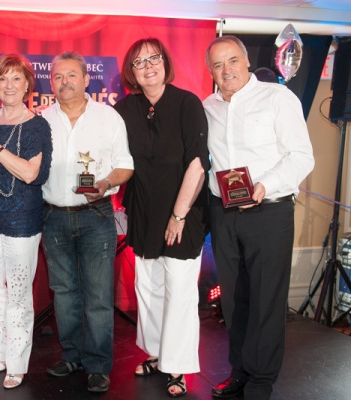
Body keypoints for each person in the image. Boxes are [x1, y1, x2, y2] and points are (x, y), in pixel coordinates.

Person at [203, 35, 314, 400]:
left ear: (247, 61)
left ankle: (261, 380)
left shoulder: (278, 98)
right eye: (218, 64)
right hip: (224, 214)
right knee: (234, 300)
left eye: (233, 60)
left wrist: (265, 185)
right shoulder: (207, 107)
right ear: (211, 71)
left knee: (266, 299)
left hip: (269, 212)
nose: (226, 70)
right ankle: (240, 371)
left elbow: (301, 156)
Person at [113, 38, 209, 398]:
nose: (148, 66)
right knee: (149, 288)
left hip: (183, 212)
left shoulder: (187, 104)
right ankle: (156, 353)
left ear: (165, 63)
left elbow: (197, 163)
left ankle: (177, 366)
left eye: (154, 58)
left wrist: (178, 216)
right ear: (131, 72)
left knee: (179, 291)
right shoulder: (125, 109)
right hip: (142, 210)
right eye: (139, 62)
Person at [41, 51, 134, 393]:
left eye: (71, 75)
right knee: (63, 293)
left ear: (85, 79)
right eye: (57, 76)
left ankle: (97, 365)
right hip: (53, 216)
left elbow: (125, 165)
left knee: (97, 295)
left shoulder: (108, 118)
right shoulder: (42, 120)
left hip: (96, 215)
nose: (64, 82)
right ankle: (71, 356)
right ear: (51, 82)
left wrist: (106, 183)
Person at [0, 53, 52, 390]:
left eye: (16, 79)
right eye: (2, 78)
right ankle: (2, 351)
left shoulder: (37, 125)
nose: (9, 85)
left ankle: (18, 363)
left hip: (22, 221)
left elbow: (31, 173)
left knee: (19, 293)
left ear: (27, 86)